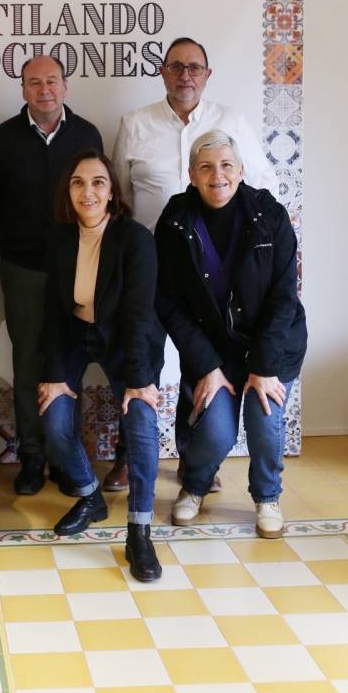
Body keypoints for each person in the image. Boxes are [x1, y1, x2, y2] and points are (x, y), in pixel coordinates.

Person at [111, 36, 278, 492]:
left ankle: (192, 457)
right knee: (140, 356)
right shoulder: (135, 123)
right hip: (145, 270)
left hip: (207, 273)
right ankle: (130, 454)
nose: (186, 75)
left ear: (207, 75)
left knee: (196, 364)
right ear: (163, 72)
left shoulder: (232, 122)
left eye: (195, 67)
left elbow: (263, 187)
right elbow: (120, 196)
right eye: (177, 66)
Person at [156, 130, 306, 539]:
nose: (216, 175)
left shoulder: (269, 215)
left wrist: (263, 367)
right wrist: (206, 365)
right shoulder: (174, 219)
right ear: (191, 174)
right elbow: (167, 302)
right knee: (216, 431)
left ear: (240, 170)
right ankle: (195, 486)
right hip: (215, 352)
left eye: (225, 165)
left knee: (263, 421)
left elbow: (283, 297)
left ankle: (267, 497)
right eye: (205, 167)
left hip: (272, 347)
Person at [39, 150, 163, 581]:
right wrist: (54, 375)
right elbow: (53, 313)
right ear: (67, 191)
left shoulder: (135, 239)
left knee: (142, 421)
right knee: (54, 419)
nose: (87, 191)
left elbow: (138, 316)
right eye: (78, 182)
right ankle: (90, 496)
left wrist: (139, 381)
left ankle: (139, 530)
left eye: (97, 182)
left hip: (129, 341)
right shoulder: (57, 238)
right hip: (75, 334)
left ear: (112, 191)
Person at [0, 54, 102, 495]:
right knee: (28, 361)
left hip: (79, 267)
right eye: (34, 83)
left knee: (73, 358)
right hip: (23, 268)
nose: (44, 90)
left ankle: (67, 457)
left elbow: (101, 197)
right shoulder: (2, 139)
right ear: (23, 90)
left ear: (65, 87)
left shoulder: (87, 135)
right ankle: (32, 456)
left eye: (51, 81)